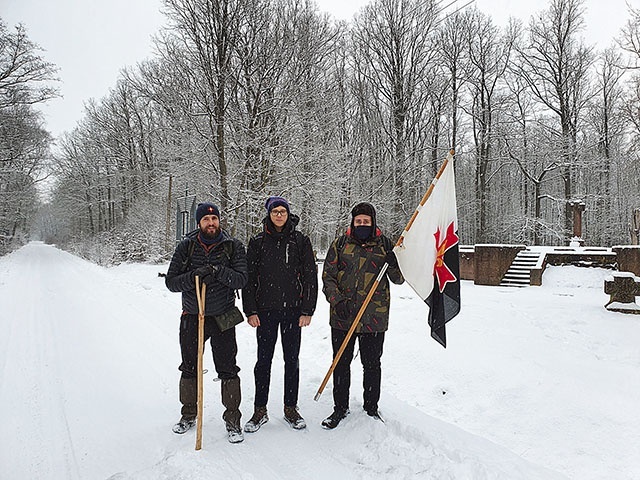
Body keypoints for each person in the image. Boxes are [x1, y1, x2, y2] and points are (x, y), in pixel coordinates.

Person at [165, 202, 248, 443]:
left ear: (219, 221)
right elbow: (171, 282)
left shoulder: (233, 246)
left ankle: (233, 419)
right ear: (198, 223)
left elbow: (242, 279)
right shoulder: (186, 247)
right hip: (193, 315)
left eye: (214, 219)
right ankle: (189, 414)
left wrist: (219, 271)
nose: (211, 224)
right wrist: (194, 276)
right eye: (206, 220)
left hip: (222, 316)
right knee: (189, 365)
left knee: (228, 368)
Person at [320, 202, 404, 429]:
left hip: (373, 317)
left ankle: (371, 407)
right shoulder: (340, 244)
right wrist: (337, 300)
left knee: (372, 364)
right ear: (353, 222)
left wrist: (394, 262)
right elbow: (328, 276)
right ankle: (340, 408)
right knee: (340, 362)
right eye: (359, 221)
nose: (362, 225)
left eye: (366, 221)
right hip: (342, 315)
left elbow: (399, 279)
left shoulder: (385, 245)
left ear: (373, 222)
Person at [242, 196, 318, 432]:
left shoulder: (299, 240)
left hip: (293, 312)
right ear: (269, 214)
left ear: (288, 214)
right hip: (265, 312)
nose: (279, 215)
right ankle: (259, 409)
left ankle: (290, 408)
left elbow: (310, 276)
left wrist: (307, 310)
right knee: (263, 361)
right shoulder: (257, 242)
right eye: (275, 211)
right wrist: (251, 310)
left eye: (282, 211)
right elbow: (249, 279)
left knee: (291, 360)